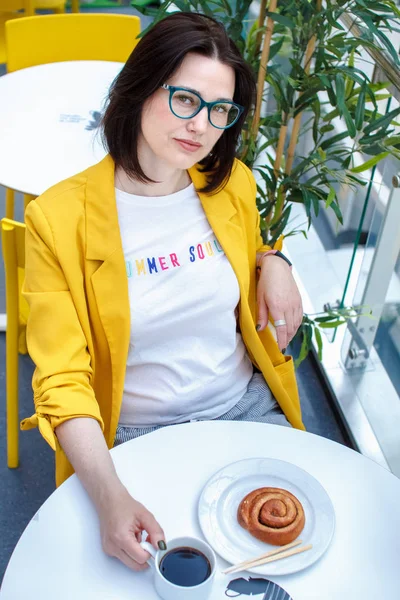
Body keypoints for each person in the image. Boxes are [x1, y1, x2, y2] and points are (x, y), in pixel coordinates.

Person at [21, 12, 304, 572]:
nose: (200, 125)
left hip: (246, 407)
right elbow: (61, 379)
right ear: (141, 87)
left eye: (219, 110)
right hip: (133, 435)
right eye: (185, 100)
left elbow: (247, 244)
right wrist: (109, 493)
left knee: (294, 557)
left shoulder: (232, 184)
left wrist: (274, 260)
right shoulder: (57, 219)